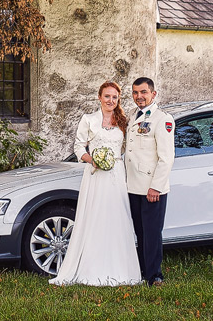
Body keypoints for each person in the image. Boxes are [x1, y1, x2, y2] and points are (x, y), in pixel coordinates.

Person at [49, 81, 145, 287]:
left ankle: (121, 269)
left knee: (117, 218)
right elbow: (78, 147)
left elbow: (130, 147)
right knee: (95, 217)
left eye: (114, 97)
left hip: (117, 174)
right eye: (107, 96)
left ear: (118, 99)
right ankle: (91, 269)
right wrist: (93, 160)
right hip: (95, 174)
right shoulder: (89, 120)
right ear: (99, 97)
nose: (111, 100)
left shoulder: (123, 121)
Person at [124, 76, 175, 286]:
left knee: (152, 233)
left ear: (153, 94)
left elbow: (166, 158)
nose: (139, 96)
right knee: (140, 232)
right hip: (133, 186)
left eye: (143, 92)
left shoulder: (163, 119)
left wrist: (156, 187)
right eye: (135, 92)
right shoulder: (132, 116)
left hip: (151, 188)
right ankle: (143, 272)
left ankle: (155, 276)